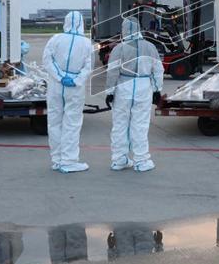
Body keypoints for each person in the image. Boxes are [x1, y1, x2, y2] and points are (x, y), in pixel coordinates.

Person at [105, 17, 163, 173]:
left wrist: (110, 92)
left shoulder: (119, 48)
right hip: (143, 88)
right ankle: (141, 161)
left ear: (124, 30)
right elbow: (158, 69)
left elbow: (112, 71)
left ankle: (118, 160)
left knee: (120, 125)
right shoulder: (150, 47)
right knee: (140, 125)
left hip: (124, 87)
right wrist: (157, 89)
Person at [42, 11, 93, 173]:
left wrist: (59, 77)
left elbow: (47, 60)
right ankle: (69, 161)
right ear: (82, 23)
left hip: (56, 86)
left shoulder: (55, 39)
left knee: (54, 122)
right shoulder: (86, 43)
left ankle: (57, 159)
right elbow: (88, 66)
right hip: (74, 88)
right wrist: (76, 80)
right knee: (72, 122)